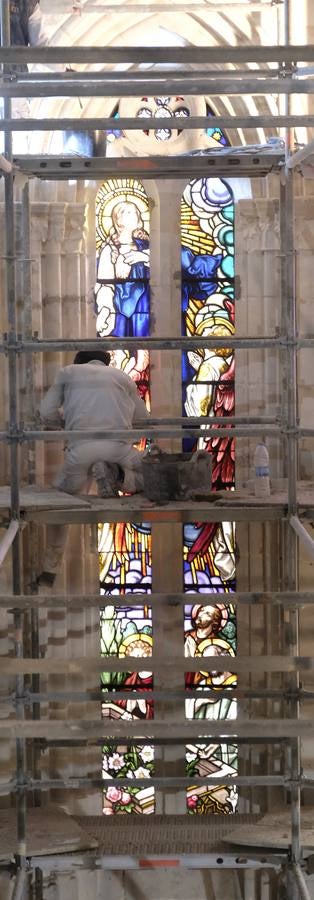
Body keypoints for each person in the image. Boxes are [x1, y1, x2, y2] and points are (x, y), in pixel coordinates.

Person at [37, 349, 149, 590]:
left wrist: (67, 425)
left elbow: (45, 413)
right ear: (105, 363)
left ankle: (50, 570)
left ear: (78, 362)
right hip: (118, 449)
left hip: (81, 449)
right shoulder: (122, 377)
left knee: (61, 507)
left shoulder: (67, 372)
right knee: (149, 478)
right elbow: (144, 417)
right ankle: (119, 476)